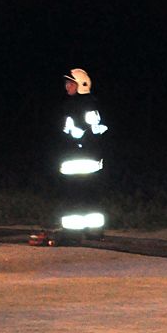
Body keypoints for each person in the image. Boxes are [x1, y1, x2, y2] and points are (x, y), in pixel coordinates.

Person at [58, 68, 108, 238]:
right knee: (82, 196)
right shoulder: (71, 105)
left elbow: (95, 131)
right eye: (66, 83)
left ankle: (79, 232)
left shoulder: (87, 106)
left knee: (80, 196)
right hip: (76, 158)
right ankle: (89, 231)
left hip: (83, 159)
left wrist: (79, 137)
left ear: (81, 85)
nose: (67, 87)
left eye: (70, 84)